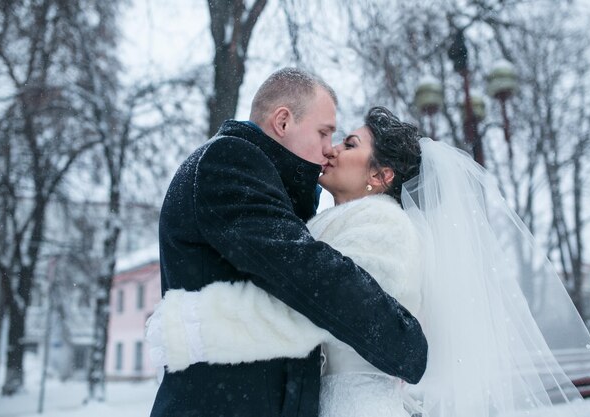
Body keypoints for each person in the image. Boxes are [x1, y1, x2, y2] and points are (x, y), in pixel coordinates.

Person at [148, 106, 590, 417]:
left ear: (380, 176)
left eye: (347, 143)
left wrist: (193, 327)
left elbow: (320, 309)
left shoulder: (383, 227)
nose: (330, 150)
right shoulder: (344, 221)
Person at [149, 69, 428, 417]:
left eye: (342, 140)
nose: (330, 148)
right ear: (283, 122)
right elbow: (307, 273)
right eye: (324, 132)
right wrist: (404, 342)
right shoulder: (231, 161)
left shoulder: (279, 187)